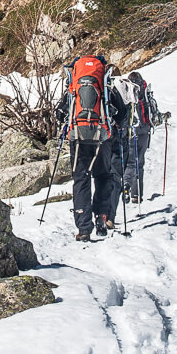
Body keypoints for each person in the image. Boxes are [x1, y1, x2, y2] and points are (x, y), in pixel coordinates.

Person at [60, 54, 114, 241]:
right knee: (103, 176)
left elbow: (60, 112)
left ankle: (83, 227)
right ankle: (101, 216)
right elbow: (120, 112)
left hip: (79, 137)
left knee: (81, 179)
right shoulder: (105, 85)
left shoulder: (73, 87)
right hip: (103, 136)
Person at [107, 68, 134, 229]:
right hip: (120, 139)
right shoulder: (125, 87)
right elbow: (129, 115)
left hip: (101, 140)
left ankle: (99, 214)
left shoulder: (100, 89)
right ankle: (110, 216)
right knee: (116, 177)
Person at [124, 69, 152, 203]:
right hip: (144, 131)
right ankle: (137, 194)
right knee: (139, 162)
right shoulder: (145, 91)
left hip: (130, 132)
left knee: (129, 162)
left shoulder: (126, 90)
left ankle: (126, 185)